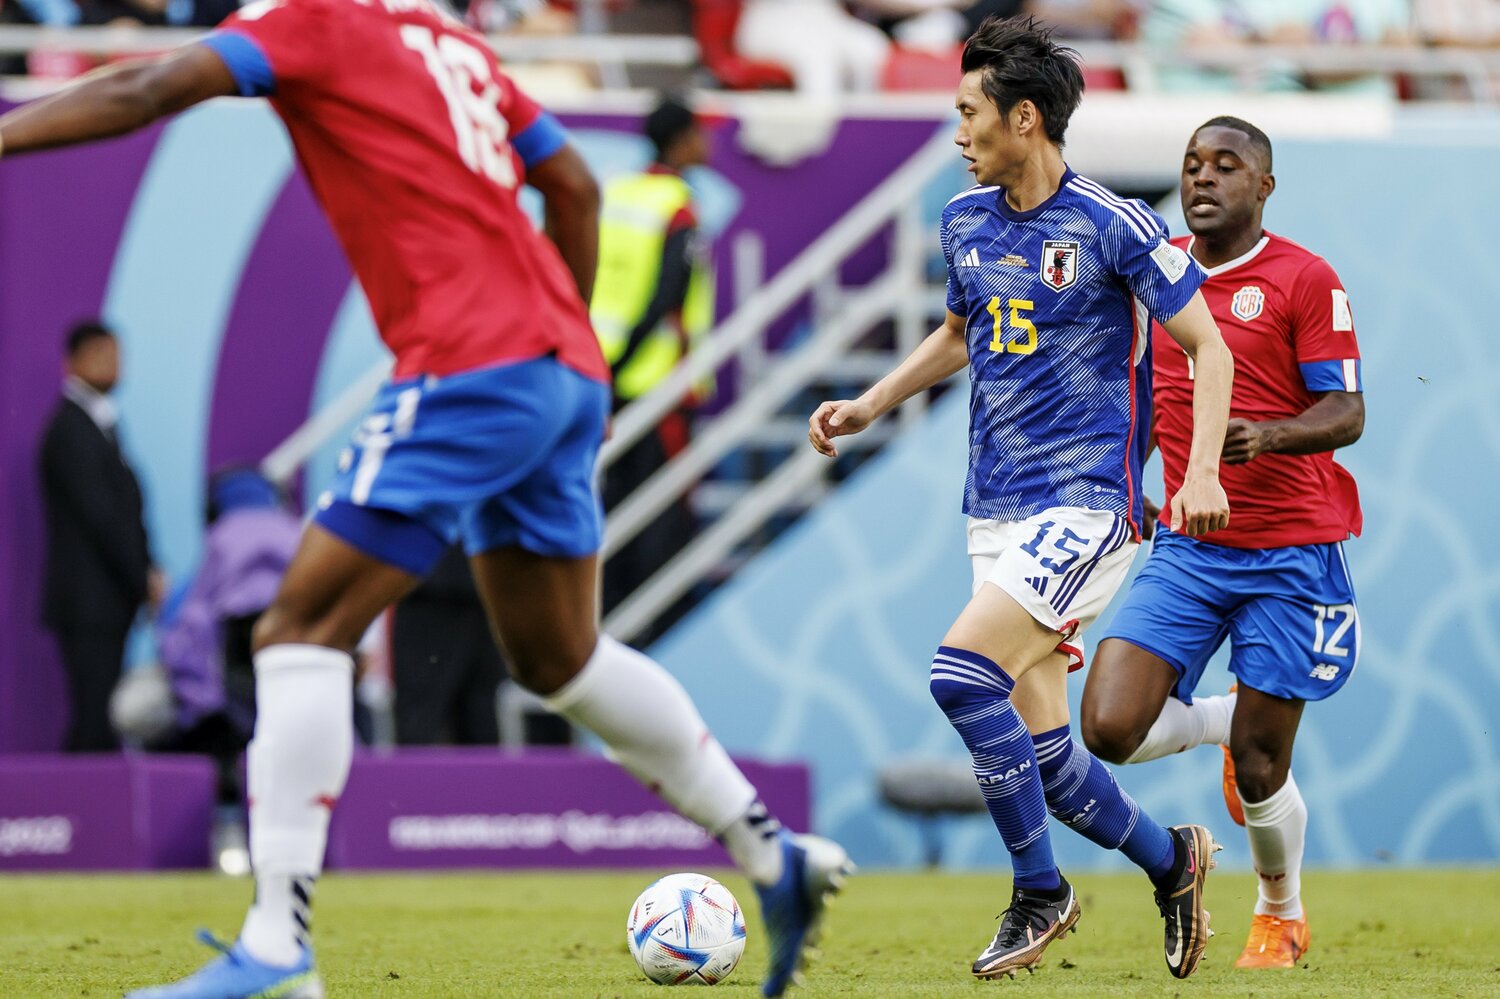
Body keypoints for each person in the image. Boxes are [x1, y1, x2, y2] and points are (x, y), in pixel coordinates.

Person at [0, 2, 851, 996]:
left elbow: (149, 87)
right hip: (560, 369)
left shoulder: (309, 20)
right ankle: (770, 851)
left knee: (297, 629)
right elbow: (570, 185)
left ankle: (277, 951)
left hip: (469, 364)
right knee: (558, 657)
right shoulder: (449, 41)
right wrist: (565, 351)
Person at [808, 15, 1234, 981]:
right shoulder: (963, 222)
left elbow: (1211, 348)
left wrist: (1198, 470)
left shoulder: (1114, 223)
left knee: (963, 676)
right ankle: (1174, 862)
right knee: (1053, 765)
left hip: (1088, 503)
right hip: (993, 505)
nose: (957, 131)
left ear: (1025, 118)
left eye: (969, 112)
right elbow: (963, 332)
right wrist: (873, 401)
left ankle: (1040, 891)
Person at [1080, 116, 1365, 971]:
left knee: (1266, 760)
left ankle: (1280, 911)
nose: (1204, 178)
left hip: (1292, 550)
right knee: (1108, 726)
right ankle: (1219, 729)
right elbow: (1136, 401)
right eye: (1192, 165)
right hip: (1191, 548)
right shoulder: (1155, 272)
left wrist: (1263, 437)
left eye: (1227, 165)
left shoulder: (1305, 278)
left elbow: (1348, 413)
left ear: (1263, 186)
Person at [592, 96, 713, 632]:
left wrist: (608, 366)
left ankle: (615, 616)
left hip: (604, 374)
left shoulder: (615, 192)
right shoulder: (677, 206)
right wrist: (628, 363)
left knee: (615, 504)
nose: (705, 145)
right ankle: (660, 628)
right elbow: (667, 295)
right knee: (662, 514)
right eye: (699, 134)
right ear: (681, 140)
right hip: (657, 383)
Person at [38, 320, 161, 753]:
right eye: (103, 355)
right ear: (73, 363)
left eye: (116, 355)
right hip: (88, 604)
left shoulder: (100, 426)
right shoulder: (71, 431)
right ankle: (81, 812)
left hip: (107, 601)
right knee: (93, 718)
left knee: (102, 716)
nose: (114, 366)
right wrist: (140, 573)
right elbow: (105, 518)